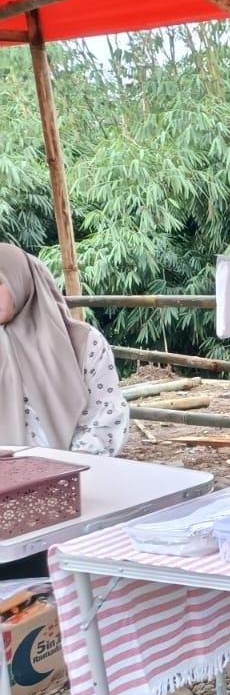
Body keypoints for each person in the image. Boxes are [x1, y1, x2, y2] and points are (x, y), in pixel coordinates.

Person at [1, 243, 128, 581]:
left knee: (59, 595)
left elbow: (106, 420)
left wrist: (57, 481)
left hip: (70, 496)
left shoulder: (82, 343)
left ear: (20, 282)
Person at [0, 244, 127, 459]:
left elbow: (106, 414)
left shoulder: (82, 342)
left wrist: (70, 468)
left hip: (70, 477)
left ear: (21, 281)